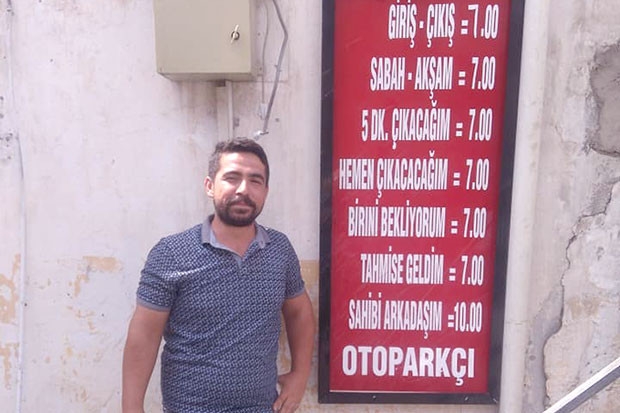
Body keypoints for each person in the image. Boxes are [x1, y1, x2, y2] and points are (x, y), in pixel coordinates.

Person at [122, 138, 315, 413]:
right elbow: (144, 335)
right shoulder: (172, 253)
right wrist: (131, 408)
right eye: (232, 178)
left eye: (255, 180)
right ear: (210, 186)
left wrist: (300, 375)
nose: (243, 189)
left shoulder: (279, 249)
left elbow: (299, 313)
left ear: (265, 191)